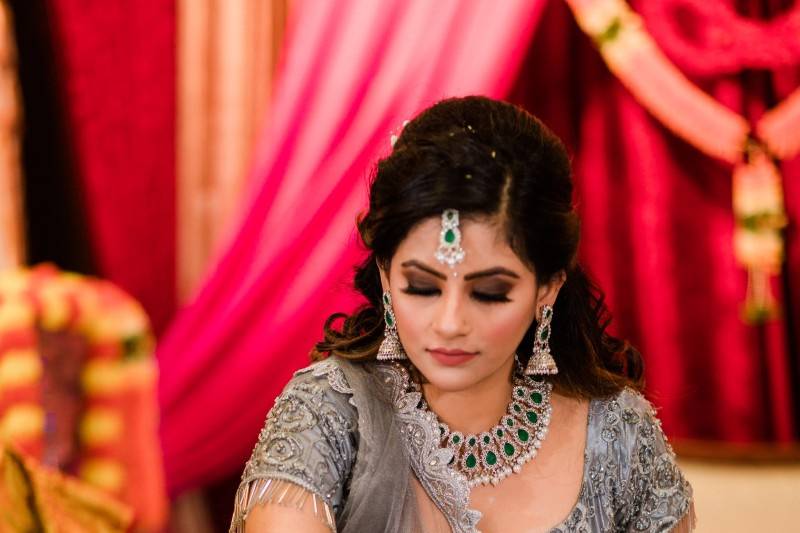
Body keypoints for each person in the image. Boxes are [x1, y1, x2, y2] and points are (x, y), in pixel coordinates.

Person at [229, 96, 696, 532]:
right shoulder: (331, 414)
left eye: (490, 293)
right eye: (423, 287)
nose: (450, 322)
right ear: (387, 276)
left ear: (547, 288)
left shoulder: (616, 433)